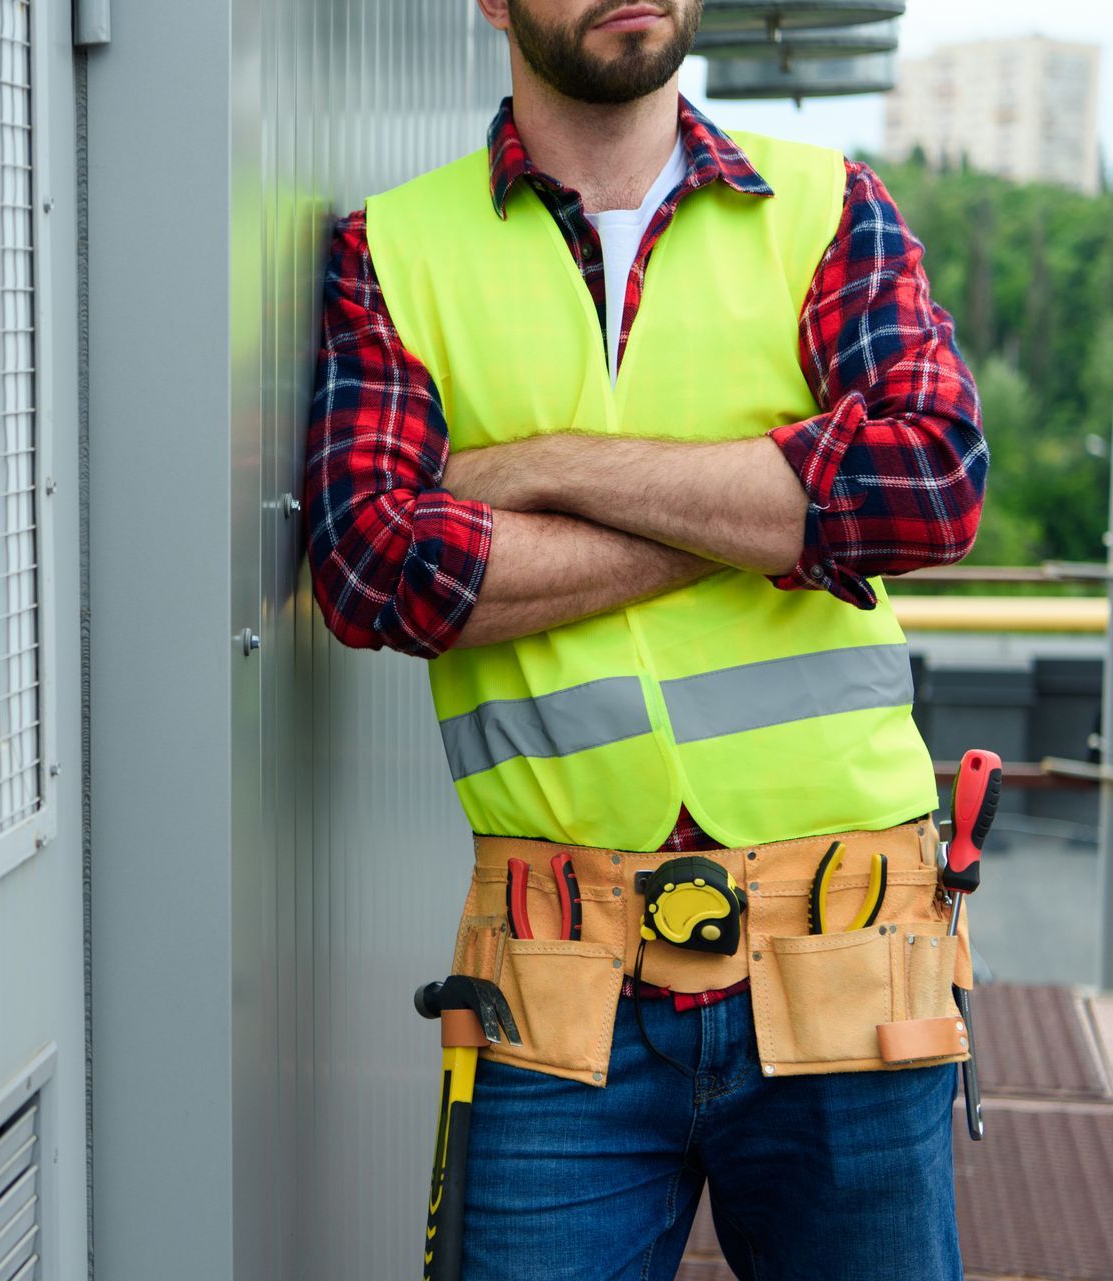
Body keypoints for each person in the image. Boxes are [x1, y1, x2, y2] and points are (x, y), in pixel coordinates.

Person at [304, 1, 987, 1277]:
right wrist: (772, 520)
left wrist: (552, 468)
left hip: (844, 954)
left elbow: (927, 486)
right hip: (555, 986)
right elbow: (377, 567)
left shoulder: (828, 205)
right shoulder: (393, 250)